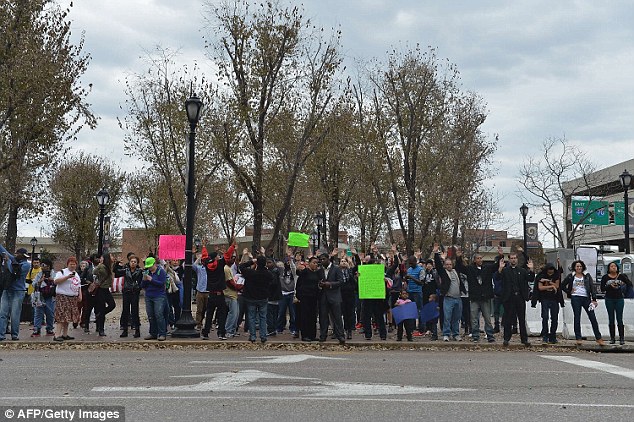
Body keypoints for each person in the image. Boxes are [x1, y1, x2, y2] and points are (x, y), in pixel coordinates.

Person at [455, 247, 500, 343]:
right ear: (474, 260)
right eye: (478, 258)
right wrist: (458, 258)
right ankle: (475, 335)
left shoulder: (487, 268)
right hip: (475, 297)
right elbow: (460, 268)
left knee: (487, 318)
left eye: (481, 258)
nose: (480, 260)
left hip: (485, 297)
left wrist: (500, 255)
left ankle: (490, 335)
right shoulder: (470, 269)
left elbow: (496, 266)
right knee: (474, 318)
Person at [562, 260, 604, 346]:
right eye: (577, 266)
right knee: (577, 317)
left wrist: (594, 299)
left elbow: (592, 287)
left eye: (580, 266)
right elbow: (562, 285)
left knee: (592, 317)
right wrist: (569, 292)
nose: (579, 268)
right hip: (575, 298)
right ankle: (578, 338)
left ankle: (598, 338)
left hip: (586, 298)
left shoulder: (587, 276)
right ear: (574, 267)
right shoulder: (571, 276)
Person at [201, 241, 236, 341]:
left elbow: (204, 256)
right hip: (220, 293)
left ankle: (205, 333)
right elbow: (228, 255)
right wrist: (232, 246)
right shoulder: (220, 264)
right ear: (216, 258)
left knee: (209, 314)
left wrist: (204, 247)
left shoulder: (207, 264)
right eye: (217, 256)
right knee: (222, 314)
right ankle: (221, 333)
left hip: (211, 294)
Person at [498, 252, 534, 346]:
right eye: (512, 258)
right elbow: (498, 278)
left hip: (520, 298)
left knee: (522, 319)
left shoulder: (522, 271)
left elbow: (530, 279)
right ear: (509, 260)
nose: (513, 260)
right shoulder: (505, 271)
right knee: (508, 319)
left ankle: (524, 339)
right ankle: (506, 339)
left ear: (517, 259)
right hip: (509, 298)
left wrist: (531, 269)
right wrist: (500, 269)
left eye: (515, 258)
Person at [433, 244, 467, 342]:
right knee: (447, 317)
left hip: (458, 298)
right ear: (445, 265)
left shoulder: (456, 271)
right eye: (447, 264)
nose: (449, 266)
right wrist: (436, 253)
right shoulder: (444, 273)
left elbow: (460, 264)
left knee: (457, 318)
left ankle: (456, 334)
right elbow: (438, 266)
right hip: (448, 298)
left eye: (450, 264)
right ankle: (446, 334)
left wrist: (459, 256)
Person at [239, 255, 274, 343]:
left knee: (251, 317)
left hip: (251, 297)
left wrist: (251, 261)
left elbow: (241, 266)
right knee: (263, 317)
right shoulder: (267, 274)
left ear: (257, 263)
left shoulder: (250, 273)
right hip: (263, 297)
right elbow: (272, 279)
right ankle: (263, 335)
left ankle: (253, 336)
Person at [0, 244, 31, 341]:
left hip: (18, 291)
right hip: (7, 290)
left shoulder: (26, 264)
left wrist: (7, 259)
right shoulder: (14, 259)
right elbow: (3, 250)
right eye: (21, 255)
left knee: (15, 314)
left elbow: (13, 270)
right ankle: (1, 335)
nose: (23, 257)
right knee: (3, 313)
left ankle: (14, 335)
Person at [601, 262, 632, 345]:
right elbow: (602, 288)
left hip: (619, 299)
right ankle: (612, 338)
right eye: (611, 266)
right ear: (608, 268)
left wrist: (623, 286)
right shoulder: (605, 277)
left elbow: (630, 284)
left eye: (615, 266)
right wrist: (610, 286)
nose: (613, 268)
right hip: (609, 299)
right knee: (611, 318)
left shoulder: (621, 276)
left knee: (619, 318)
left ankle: (622, 338)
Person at [51, 257, 82, 341]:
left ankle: (65, 334)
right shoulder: (62, 272)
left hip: (72, 297)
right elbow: (56, 281)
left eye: (74, 264)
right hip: (62, 297)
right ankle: (57, 335)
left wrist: (80, 295)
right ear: (67, 264)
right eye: (71, 264)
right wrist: (67, 277)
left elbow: (78, 285)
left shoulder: (76, 274)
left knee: (68, 317)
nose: (72, 266)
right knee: (61, 316)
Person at [318, 253, 345, 344]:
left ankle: (340, 336)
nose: (322, 261)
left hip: (334, 296)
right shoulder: (320, 270)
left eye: (324, 259)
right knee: (323, 317)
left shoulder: (336, 268)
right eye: (321, 260)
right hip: (323, 296)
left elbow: (341, 281)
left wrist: (330, 284)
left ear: (328, 259)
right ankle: (323, 335)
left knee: (337, 317)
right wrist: (320, 284)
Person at [531, 262, 561, 344]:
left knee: (554, 318)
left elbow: (557, 286)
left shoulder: (556, 275)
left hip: (554, 299)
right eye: (549, 270)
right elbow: (540, 287)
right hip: (545, 298)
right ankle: (545, 335)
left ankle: (553, 335)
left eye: (551, 269)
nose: (550, 271)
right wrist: (551, 286)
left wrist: (549, 282)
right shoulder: (541, 275)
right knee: (545, 317)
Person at [114, 255, 143, 338]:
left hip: (135, 292)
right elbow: (116, 272)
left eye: (135, 262)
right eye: (131, 261)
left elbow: (144, 276)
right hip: (127, 292)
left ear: (137, 263)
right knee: (125, 310)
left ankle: (137, 330)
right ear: (129, 262)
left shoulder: (139, 271)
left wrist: (138, 287)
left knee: (135, 311)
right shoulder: (126, 270)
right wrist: (117, 263)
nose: (133, 263)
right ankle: (125, 330)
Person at [295, 256, 322, 342]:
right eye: (313, 263)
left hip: (314, 297)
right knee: (305, 316)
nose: (315, 264)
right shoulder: (305, 272)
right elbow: (299, 284)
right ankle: (305, 335)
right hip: (305, 297)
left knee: (313, 317)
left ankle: (312, 335)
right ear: (309, 263)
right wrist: (299, 296)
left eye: (316, 263)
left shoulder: (317, 273)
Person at [141, 257, 168, 341]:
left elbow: (161, 283)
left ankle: (162, 333)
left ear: (155, 264)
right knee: (151, 315)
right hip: (149, 295)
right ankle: (153, 333)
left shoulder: (161, 271)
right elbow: (142, 286)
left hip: (159, 296)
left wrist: (151, 280)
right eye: (148, 266)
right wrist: (144, 280)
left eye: (150, 266)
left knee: (159, 314)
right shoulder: (146, 272)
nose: (149, 268)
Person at [92, 254, 117, 336]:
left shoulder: (110, 266)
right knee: (101, 308)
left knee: (112, 305)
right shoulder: (102, 267)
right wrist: (99, 265)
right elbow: (94, 272)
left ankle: (100, 315)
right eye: (111, 256)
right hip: (101, 290)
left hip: (106, 290)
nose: (113, 257)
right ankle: (101, 329)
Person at [31, 259, 56, 337]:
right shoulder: (39, 274)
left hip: (50, 295)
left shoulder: (54, 274)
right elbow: (34, 284)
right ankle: (37, 329)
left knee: (50, 313)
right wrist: (40, 281)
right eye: (42, 265)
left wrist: (53, 280)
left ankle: (50, 328)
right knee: (38, 313)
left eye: (45, 265)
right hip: (40, 295)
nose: (43, 267)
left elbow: (57, 283)